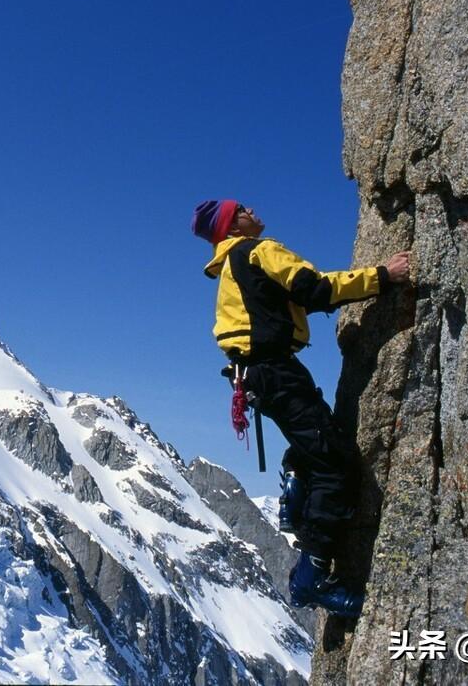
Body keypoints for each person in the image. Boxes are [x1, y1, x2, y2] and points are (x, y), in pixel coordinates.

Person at [191, 198, 410, 618]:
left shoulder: (233, 267)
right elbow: (316, 288)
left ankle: (295, 488)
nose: (253, 208)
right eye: (242, 208)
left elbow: (299, 297)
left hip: (257, 378)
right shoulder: (259, 251)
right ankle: (310, 577)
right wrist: (384, 276)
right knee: (334, 463)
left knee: (314, 444)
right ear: (233, 224)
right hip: (277, 373)